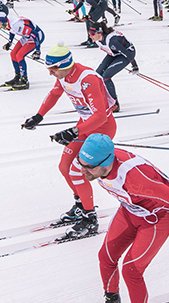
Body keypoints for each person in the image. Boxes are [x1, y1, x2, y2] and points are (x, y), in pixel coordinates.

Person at [74, 134, 169, 303]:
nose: (83, 170)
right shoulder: (100, 162)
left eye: (89, 167)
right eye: (80, 163)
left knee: (131, 270)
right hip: (131, 211)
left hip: (157, 218)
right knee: (106, 257)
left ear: (106, 163)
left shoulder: (137, 181)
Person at [20, 45, 118, 241]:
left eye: (53, 68)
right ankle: (81, 205)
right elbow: (54, 94)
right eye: (48, 69)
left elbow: (100, 116)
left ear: (65, 64)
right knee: (64, 166)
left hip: (101, 128)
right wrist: (38, 116)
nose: (50, 73)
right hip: (84, 125)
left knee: (76, 170)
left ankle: (90, 218)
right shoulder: (64, 76)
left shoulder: (87, 79)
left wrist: (74, 131)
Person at [90, 20, 137, 110]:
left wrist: (135, 66)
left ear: (99, 33)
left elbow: (127, 53)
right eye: (90, 33)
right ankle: (100, 100)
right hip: (114, 53)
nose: (90, 36)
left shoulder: (112, 41)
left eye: (92, 34)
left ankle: (115, 104)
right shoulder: (98, 40)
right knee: (98, 75)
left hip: (127, 54)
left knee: (106, 76)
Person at [0, 13, 45, 89]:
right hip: (26, 36)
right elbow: (12, 32)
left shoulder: (17, 25)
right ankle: (18, 76)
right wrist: (9, 43)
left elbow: (35, 34)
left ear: (3, 21)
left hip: (36, 38)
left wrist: (38, 51)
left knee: (20, 55)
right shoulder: (9, 23)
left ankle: (24, 80)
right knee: (13, 54)